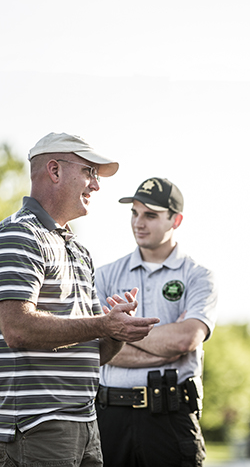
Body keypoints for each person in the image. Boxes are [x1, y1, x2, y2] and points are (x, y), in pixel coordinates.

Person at [0, 132, 159, 466]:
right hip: (39, 427)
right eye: (90, 172)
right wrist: (103, 322)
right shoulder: (18, 234)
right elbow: (17, 329)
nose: (96, 185)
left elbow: (93, 353)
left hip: (86, 425)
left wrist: (114, 333)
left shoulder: (79, 250)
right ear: (55, 171)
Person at [95, 177, 218, 467]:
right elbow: (95, 347)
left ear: (176, 220)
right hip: (110, 415)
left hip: (171, 416)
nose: (139, 222)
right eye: (134, 213)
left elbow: (185, 340)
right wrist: (164, 346)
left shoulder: (199, 276)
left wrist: (117, 332)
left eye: (150, 215)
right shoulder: (103, 275)